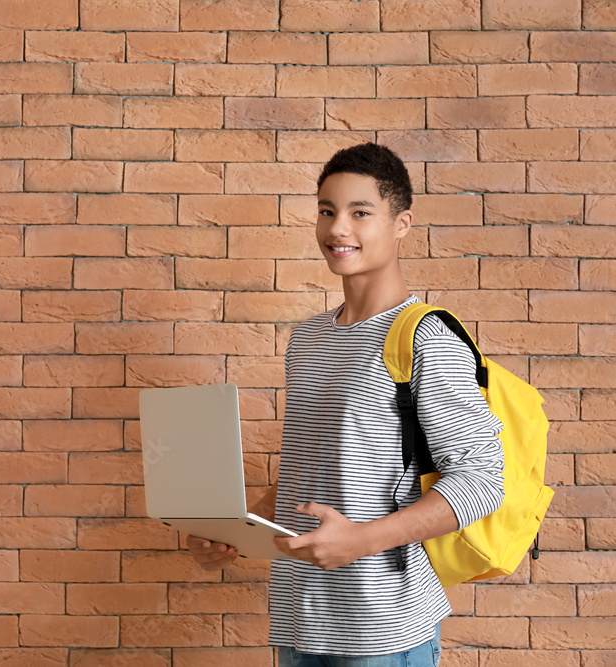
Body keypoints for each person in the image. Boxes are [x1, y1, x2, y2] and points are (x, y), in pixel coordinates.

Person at [187, 142, 505, 666]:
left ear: (401, 223)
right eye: (327, 212)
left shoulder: (426, 337)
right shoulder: (308, 340)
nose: (338, 229)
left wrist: (361, 541)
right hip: (299, 619)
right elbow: (312, 473)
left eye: (361, 213)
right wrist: (234, 533)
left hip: (381, 627)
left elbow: (482, 480)